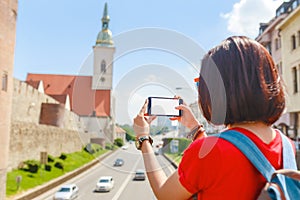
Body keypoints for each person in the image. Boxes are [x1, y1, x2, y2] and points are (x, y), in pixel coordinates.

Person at [133, 36, 292, 199]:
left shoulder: (208, 154)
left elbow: (165, 194)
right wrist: (195, 129)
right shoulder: (288, 147)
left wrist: (143, 138)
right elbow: (233, 152)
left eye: (200, 85)